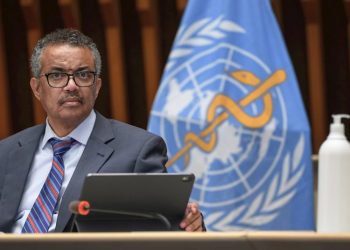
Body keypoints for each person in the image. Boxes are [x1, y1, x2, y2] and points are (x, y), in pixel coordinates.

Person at [0, 29, 204, 233]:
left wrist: (190, 223)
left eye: (83, 74)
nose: (71, 85)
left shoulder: (138, 150)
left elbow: (165, 227)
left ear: (97, 86)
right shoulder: (6, 153)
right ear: (37, 88)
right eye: (57, 75)